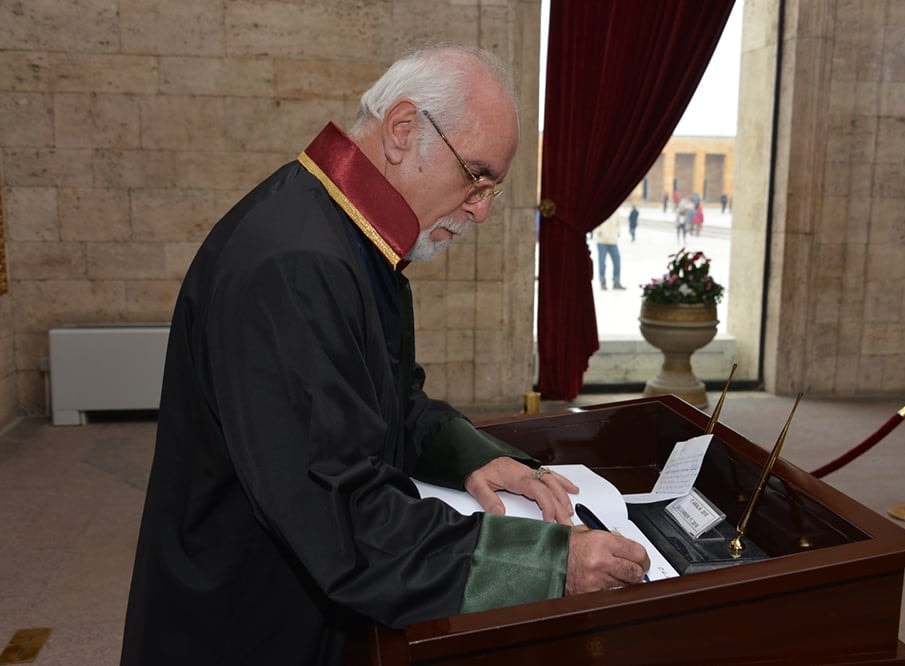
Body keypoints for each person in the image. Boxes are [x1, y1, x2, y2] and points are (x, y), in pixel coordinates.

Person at [120, 45, 649, 666]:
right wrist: (548, 563)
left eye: (493, 190)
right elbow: (340, 513)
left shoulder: (344, 231)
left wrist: (472, 458)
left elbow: (387, 402)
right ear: (402, 130)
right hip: (246, 620)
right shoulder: (295, 264)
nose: (480, 209)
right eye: (475, 177)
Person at [593, 215, 626, 290]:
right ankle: (602, 282)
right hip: (602, 241)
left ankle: (616, 282)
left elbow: (618, 223)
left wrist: (618, 233)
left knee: (617, 261)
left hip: (613, 241)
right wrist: (599, 231)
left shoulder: (616, 211)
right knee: (602, 263)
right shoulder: (600, 209)